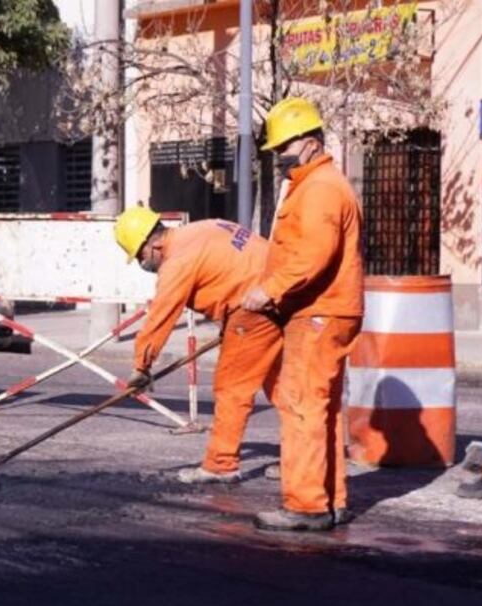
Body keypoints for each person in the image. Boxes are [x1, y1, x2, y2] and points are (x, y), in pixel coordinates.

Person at [241, 97, 364, 532]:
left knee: (300, 406)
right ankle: (331, 500)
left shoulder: (321, 189)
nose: (279, 157)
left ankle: (306, 505)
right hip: (325, 309)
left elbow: (312, 254)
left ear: (310, 142)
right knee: (322, 408)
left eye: (284, 148)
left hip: (319, 312)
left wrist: (269, 290)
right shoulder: (319, 183)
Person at [116, 206, 282, 484]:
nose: (142, 264)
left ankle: (221, 464)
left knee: (232, 387)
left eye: (140, 256)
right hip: (278, 292)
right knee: (284, 386)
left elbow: (161, 316)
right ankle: (307, 460)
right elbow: (232, 266)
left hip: (252, 306)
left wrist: (141, 367)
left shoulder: (177, 262)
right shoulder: (207, 226)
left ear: (153, 244)